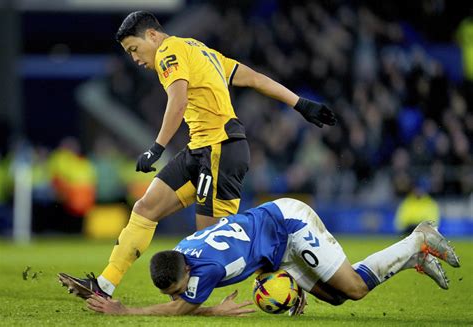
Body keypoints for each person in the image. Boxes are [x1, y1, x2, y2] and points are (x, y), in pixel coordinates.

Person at [59, 10, 337, 298]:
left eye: (134, 49)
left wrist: (156, 148)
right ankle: (104, 285)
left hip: (220, 150)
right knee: (146, 208)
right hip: (201, 149)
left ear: (152, 36)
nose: (135, 59)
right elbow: (253, 78)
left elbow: (177, 100)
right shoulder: (197, 49)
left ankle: (293, 278)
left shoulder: (169, 52)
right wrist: (301, 103)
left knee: (211, 243)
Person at [59, 198, 460, 316]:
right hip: (272, 245)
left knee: (353, 289)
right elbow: (240, 251)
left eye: (178, 289)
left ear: (186, 274)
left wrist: (125, 312)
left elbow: (181, 311)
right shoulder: (183, 249)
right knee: (335, 297)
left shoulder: (207, 269)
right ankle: (413, 259)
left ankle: (417, 238)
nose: (175, 296)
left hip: (289, 225)